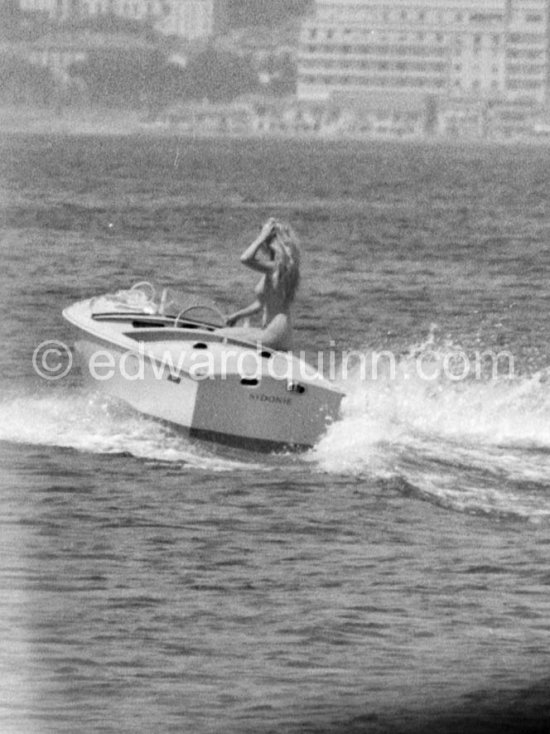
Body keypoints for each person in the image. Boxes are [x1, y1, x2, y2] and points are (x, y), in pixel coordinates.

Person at [221, 218, 301, 351]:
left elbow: (245, 259)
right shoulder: (276, 269)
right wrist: (236, 316)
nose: (262, 244)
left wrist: (261, 236)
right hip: (273, 330)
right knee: (221, 333)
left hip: (275, 331)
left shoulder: (276, 268)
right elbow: (261, 303)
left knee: (219, 336)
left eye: (264, 241)